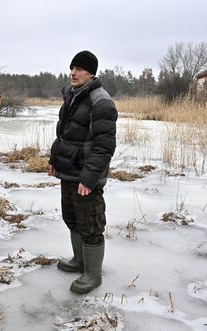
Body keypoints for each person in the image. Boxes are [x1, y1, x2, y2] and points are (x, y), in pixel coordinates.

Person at [48, 50, 117, 294]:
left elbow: (104, 146)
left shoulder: (101, 101)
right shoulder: (72, 97)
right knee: (72, 218)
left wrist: (89, 178)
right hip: (68, 172)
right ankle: (79, 261)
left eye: (79, 68)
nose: (73, 73)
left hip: (86, 177)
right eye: (72, 68)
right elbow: (64, 135)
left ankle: (92, 274)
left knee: (91, 225)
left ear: (91, 73)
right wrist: (54, 160)